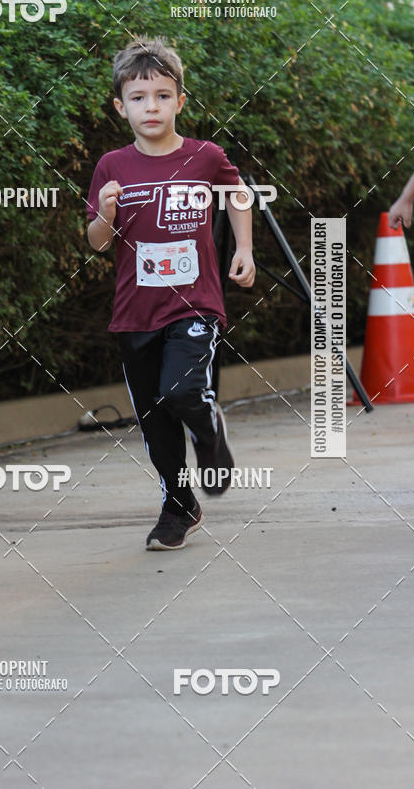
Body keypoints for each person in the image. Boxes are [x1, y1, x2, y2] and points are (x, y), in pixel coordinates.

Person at [86, 36, 255, 550]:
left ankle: (210, 435)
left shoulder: (205, 156)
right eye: (138, 98)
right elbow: (95, 241)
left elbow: (238, 194)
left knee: (181, 391)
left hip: (194, 305)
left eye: (162, 95)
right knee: (156, 425)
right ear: (121, 107)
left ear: (180, 101)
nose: (151, 106)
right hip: (134, 313)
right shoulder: (111, 167)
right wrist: (107, 212)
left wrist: (243, 248)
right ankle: (178, 507)